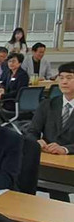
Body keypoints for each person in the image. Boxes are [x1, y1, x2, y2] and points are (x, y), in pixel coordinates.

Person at [25, 61, 74, 202]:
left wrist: (65, 149)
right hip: (48, 159)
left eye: (69, 78)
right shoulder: (48, 104)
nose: (64, 82)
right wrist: (36, 141)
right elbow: (31, 131)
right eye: (61, 77)